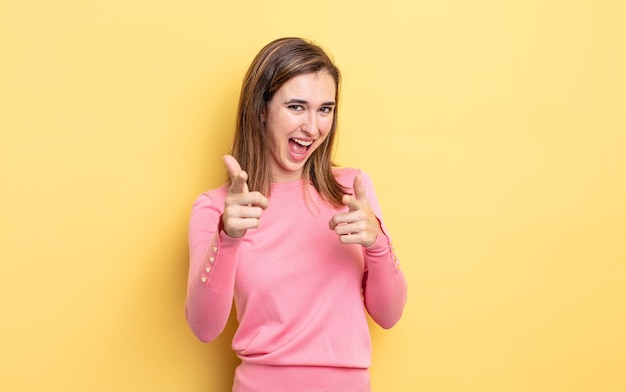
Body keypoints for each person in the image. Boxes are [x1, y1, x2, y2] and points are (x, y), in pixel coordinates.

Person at [185, 37, 408, 392]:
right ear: (261, 109)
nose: (313, 127)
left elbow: (389, 314)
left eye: (325, 109)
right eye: (296, 107)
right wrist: (227, 240)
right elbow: (204, 327)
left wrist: (377, 243)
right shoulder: (217, 208)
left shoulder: (353, 190)